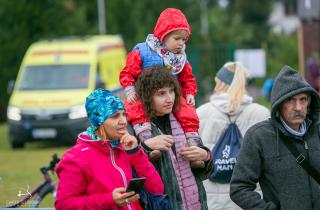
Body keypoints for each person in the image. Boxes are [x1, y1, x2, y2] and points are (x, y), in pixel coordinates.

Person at [119, 8, 203, 168]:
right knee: (134, 107)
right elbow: (127, 72)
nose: (181, 43)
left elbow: (188, 78)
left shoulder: (180, 59)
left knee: (187, 109)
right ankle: (146, 139)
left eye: (184, 40)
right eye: (177, 38)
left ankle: (193, 145)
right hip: (145, 95)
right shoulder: (143, 51)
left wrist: (190, 93)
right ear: (163, 35)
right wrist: (130, 90)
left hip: (173, 96)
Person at [55, 89, 164, 210]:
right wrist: (109, 200)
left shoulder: (125, 147)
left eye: (124, 114)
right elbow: (63, 205)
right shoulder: (76, 158)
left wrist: (135, 152)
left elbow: (157, 189)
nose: (123, 121)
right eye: (115, 116)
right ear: (99, 121)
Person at [230, 66, 320, 210]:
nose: (298, 107)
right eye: (291, 100)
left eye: (303, 100)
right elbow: (239, 188)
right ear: (279, 103)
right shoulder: (259, 137)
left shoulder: (317, 130)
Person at [129, 66, 212, 210]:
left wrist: (205, 156)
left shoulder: (184, 121)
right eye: (161, 93)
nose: (169, 99)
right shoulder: (134, 127)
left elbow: (206, 173)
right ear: (147, 96)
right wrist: (145, 147)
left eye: (171, 91)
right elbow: (126, 174)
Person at [196, 62, 270, 210]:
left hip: (212, 202)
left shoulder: (200, 114)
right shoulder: (262, 113)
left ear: (220, 83)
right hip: (250, 200)